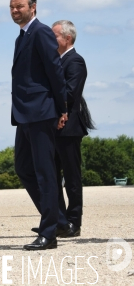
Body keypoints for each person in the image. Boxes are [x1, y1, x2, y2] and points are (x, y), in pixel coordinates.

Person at [10, 0, 71, 251]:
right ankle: (57, 219)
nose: (15, 11)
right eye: (12, 7)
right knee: (23, 168)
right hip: (24, 114)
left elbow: (55, 71)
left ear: (33, 7)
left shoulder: (42, 31)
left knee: (46, 174)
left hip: (42, 111)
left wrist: (62, 108)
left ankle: (49, 233)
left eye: (19, 6)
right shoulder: (22, 36)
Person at [51, 20, 94, 237]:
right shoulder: (54, 61)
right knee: (52, 176)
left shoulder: (75, 61)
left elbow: (70, 93)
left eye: (55, 36)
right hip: (52, 126)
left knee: (71, 176)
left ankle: (74, 222)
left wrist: (52, 109)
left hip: (69, 127)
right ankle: (59, 220)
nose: (51, 40)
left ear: (67, 38)